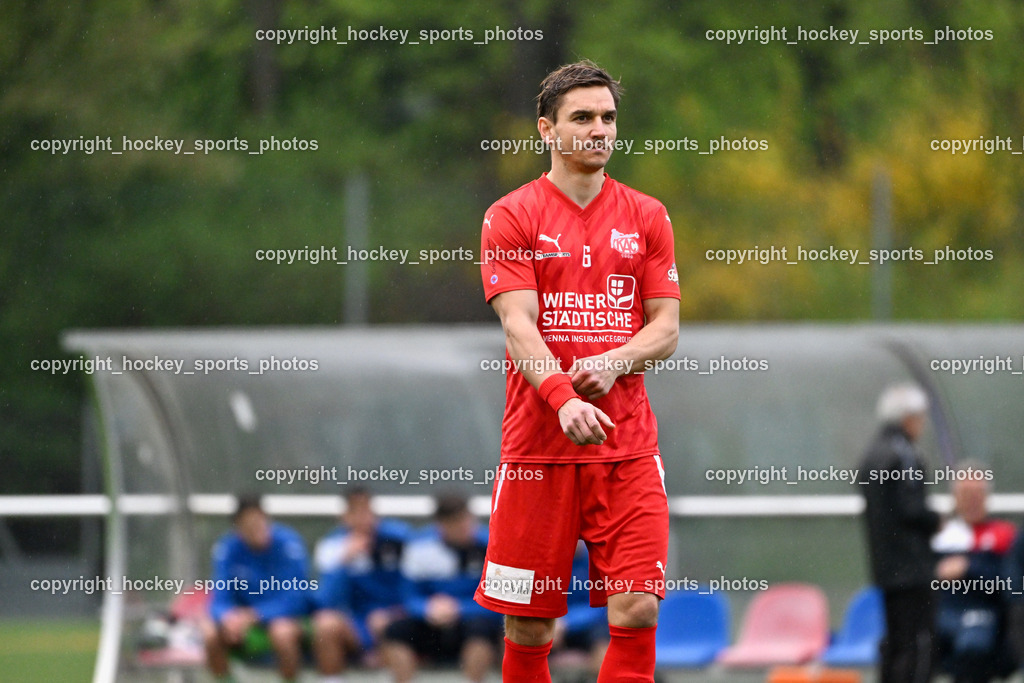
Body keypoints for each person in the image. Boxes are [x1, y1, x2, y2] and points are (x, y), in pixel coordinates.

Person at [475, 59, 680, 682]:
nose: (598, 129)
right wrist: (563, 396)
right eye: (582, 117)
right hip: (539, 450)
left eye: (608, 118)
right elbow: (518, 326)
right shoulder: (510, 215)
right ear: (546, 129)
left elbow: (665, 328)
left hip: (626, 450)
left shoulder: (647, 215)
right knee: (529, 624)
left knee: (639, 605)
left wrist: (614, 361)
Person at [859, 384, 942, 683]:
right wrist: (936, 520)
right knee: (919, 643)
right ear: (908, 417)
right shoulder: (903, 454)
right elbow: (910, 509)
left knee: (896, 642)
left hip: (886, 567)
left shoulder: (872, 453)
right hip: (912, 569)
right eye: (919, 417)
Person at [380, 494, 503, 682]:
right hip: (432, 621)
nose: (464, 528)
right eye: (456, 523)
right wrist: (426, 608)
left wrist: (460, 608)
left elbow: (500, 599)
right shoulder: (420, 548)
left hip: (473, 619)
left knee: (481, 631)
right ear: (441, 525)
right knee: (395, 631)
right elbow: (407, 596)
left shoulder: (493, 546)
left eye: (466, 520)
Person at [201, 494, 313, 682]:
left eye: (260, 523)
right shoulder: (228, 548)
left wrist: (256, 614)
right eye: (249, 526)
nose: (257, 530)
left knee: (282, 633)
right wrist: (228, 617)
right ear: (238, 528)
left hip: (286, 621)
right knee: (209, 632)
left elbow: (297, 599)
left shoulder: (289, 544)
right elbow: (219, 598)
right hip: (247, 626)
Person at [312, 488, 411, 682]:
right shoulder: (332, 546)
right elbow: (325, 600)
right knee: (325, 624)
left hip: (393, 616)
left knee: (385, 625)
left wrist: (394, 613)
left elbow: (413, 586)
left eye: (366, 511)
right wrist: (345, 560)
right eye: (355, 512)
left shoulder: (399, 539)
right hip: (355, 622)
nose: (363, 518)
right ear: (345, 517)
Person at [932, 463, 1016, 683]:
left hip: (984, 615)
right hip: (943, 615)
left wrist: (969, 569)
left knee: (973, 644)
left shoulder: (1003, 536)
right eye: (965, 494)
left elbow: (1011, 584)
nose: (971, 500)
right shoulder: (941, 539)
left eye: (976, 493)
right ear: (955, 497)